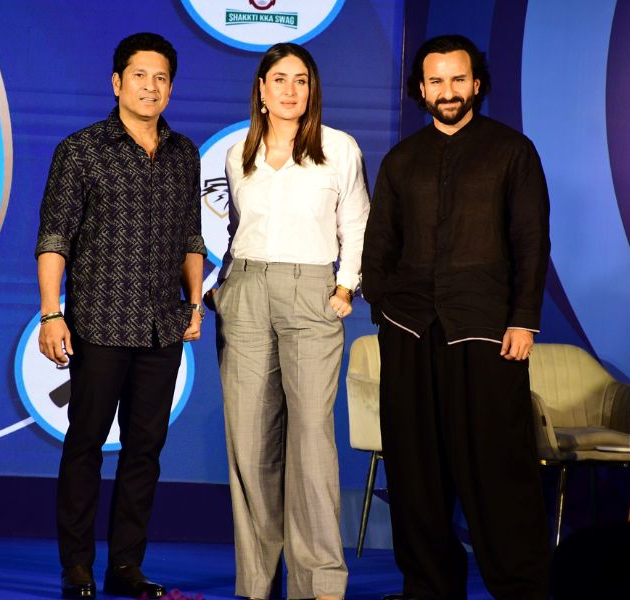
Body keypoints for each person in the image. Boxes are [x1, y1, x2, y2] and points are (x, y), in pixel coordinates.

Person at [361, 35, 551, 600]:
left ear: (477, 83)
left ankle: (521, 589)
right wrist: (387, 310)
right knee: (415, 475)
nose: (448, 91)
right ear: (421, 89)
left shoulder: (512, 152)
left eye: (458, 79)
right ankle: (428, 589)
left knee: (500, 470)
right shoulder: (401, 161)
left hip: (488, 333)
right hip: (410, 333)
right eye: (436, 81)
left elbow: (531, 241)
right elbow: (378, 247)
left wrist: (523, 319)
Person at [35, 32, 205, 599]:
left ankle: (126, 567)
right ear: (116, 83)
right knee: (85, 446)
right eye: (139, 76)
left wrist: (194, 303)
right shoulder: (80, 150)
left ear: (170, 88)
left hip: (163, 327)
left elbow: (191, 236)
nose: (150, 87)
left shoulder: (184, 153)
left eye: (161, 78)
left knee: (145, 452)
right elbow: (54, 238)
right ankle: (77, 567)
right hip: (98, 323)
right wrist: (50, 314)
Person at [211, 42, 369, 600]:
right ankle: (256, 583)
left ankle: (318, 583)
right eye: (279, 79)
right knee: (249, 441)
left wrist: (346, 286)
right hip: (246, 290)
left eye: (301, 80)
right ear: (261, 89)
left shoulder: (338, 148)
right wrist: (223, 288)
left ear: (312, 89)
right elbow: (236, 228)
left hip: (312, 291)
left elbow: (358, 222)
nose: (290, 90)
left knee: (311, 440)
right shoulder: (238, 153)